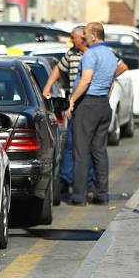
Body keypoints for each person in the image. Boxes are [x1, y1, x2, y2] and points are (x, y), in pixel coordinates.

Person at [65, 22, 123, 206]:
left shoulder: (91, 54)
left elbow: (85, 80)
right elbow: (113, 77)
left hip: (87, 104)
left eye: (86, 34)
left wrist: (72, 100)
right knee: (99, 150)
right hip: (103, 104)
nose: (83, 37)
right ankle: (102, 194)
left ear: (94, 36)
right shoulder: (111, 54)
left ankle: (79, 196)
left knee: (81, 151)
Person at [42, 26, 92, 194]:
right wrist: (47, 86)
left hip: (88, 99)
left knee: (89, 144)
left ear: (83, 38)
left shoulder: (92, 54)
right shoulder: (72, 53)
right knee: (71, 142)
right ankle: (66, 179)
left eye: (73, 37)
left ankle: (89, 183)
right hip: (73, 98)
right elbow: (58, 68)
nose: (71, 40)